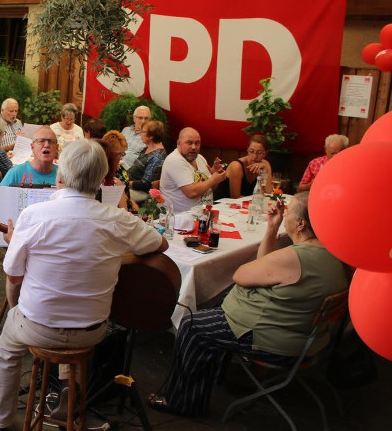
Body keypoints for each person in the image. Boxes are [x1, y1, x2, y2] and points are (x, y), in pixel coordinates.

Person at [0, 139, 168, 431]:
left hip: (38, 326)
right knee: (67, 319)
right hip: (91, 330)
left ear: (63, 173)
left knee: (9, 346)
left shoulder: (34, 216)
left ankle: (0, 421)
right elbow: (159, 244)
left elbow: (13, 276)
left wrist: (17, 294)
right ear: (101, 177)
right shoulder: (119, 220)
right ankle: (70, 388)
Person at [148, 192, 349, 416]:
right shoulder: (332, 253)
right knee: (217, 308)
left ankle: (181, 402)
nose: (285, 215)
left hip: (274, 337)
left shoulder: (295, 258)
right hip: (307, 336)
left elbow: (241, 275)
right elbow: (265, 265)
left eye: (289, 212)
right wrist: (272, 228)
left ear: (301, 223)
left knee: (191, 324)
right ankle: (215, 376)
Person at [159, 127, 227, 214]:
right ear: (179, 143)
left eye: (197, 143)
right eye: (189, 143)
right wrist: (213, 179)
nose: (194, 147)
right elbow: (191, 192)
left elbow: (211, 187)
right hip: (180, 219)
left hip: (204, 215)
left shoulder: (200, 158)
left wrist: (216, 175)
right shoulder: (174, 160)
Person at [222, 134, 273, 199]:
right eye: (251, 151)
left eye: (259, 153)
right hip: (223, 205)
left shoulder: (265, 164)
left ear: (265, 154)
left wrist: (265, 170)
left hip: (248, 206)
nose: (254, 156)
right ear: (247, 149)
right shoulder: (237, 166)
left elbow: (268, 192)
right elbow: (235, 197)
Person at [128, 120, 167, 201]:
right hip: (130, 181)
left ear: (151, 136)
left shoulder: (158, 156)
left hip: (139, 191)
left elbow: (146, 184)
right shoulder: (147, 147)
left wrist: (125, 184)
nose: (140, 134)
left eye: (143, 131)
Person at [102, 130, 137, 212]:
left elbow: (126, 192)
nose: (121, 157)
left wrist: (134, 205)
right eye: (118, 154)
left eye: (123, 153)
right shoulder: (103, 172)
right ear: (108, 153)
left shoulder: (121, 168)